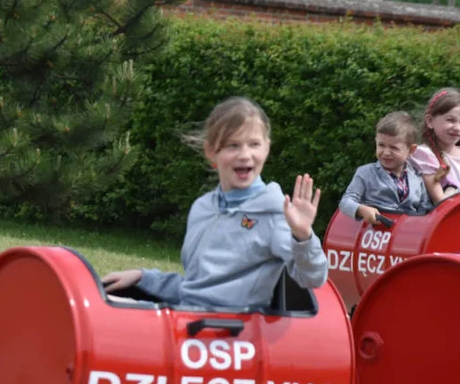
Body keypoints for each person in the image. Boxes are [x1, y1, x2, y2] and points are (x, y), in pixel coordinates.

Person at [102, 97, 327, 310]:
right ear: (211, 152)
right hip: (189, 323)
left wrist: (303, 236)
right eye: (233, 145)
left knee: (101, 309)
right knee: (97, 301)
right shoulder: (202, 208)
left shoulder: (276, 214)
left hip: (231, 335)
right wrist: (144, 277)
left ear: (266, 148)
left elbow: (313, 277)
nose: (245, 155)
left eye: (254, 144)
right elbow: (195, 289)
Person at [338, 111, 440, 225]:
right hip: (375, 234)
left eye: (394, 148)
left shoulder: (417, 177)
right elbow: (345, 202)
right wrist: (361, 210)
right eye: (381, 145)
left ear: (411, 150)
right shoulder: (365, 173)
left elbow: (425, 209)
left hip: (408, 235)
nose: (386, 152)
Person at [409, 87, 460, 198]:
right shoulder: (424, 156)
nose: (457, 127)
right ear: (430, 121)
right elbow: (440, 203)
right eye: (450, 120)